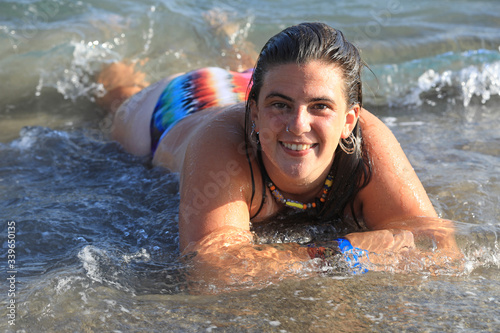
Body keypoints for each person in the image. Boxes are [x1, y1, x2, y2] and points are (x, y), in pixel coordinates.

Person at [97, 22, 461, 291]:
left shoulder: (371, 141)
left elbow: (438, 247)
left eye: (321, 107)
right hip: (178, 108)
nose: (298, 125)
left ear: (350, 120)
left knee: (268, 77)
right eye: (281, 107)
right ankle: (110, 56)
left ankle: (232, 40)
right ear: (253, 114)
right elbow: (211, 272)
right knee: (117, 97)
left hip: (262, 82)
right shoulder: (219, 147)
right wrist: (342, 252)